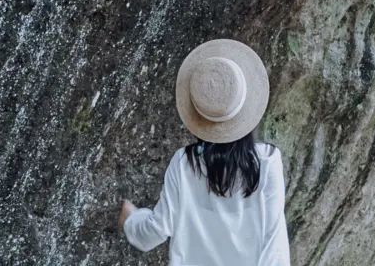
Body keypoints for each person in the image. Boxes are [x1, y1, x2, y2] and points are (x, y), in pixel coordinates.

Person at [118, 37, 291, 266]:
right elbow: (273, 249)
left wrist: (130, 219)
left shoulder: (183, 164)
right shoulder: (266, 163)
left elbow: (156, 230)